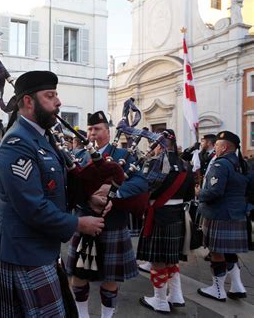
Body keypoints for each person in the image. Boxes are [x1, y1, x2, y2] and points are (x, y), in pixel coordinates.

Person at [0, 70, 105, 317]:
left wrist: (87, 199)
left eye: (56, 95)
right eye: (50, 96)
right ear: (29, 101)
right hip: (23, 253)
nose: (58, 102)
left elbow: (57, 186)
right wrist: (78, 223)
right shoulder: (17, 144)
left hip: (42, 249)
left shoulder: (42, 138)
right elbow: (33, 207)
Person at [66, 111, 142, 318]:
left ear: (107, 131)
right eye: (90, 129)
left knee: (110, 278)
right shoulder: (80, 156)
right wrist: (89, 198)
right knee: (79, 274)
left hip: (113, 223)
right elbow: (72, 186)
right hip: (84, 221)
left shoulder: (122, 155)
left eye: (97, 129)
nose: (92, 133)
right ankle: (82, 315)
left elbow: (141, 182)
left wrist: (116, 194)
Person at [137, 129, 195, 313]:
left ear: (158, 144)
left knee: (158, 260)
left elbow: (144, 189)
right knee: (171, 258)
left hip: (159, 215)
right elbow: (189, 195)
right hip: (177, 215)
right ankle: (176, 294)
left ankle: (160, 300)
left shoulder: (154, 162)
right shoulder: (186, 165)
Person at [197, 131, 249, 301]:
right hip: (236, 214)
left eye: (218, 146)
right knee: (230, 252)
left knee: (217, 253)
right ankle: (237, 286)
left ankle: (218, 290)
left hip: (218, 214)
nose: (216, 149)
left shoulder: (221, 164)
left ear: (225, 147)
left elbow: (214, 192)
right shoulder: (243, 164)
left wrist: (199, 193)